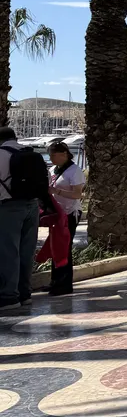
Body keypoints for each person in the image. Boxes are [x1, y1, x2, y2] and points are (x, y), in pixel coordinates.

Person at [0, 127, 48, 309]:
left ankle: (9, 296)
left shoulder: (1, 155)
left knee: (8, 251)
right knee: (27, 251)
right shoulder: (29, 152)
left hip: (9, 207)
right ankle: (25, 293)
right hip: (32, 206)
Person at [46, 141, 83, 296]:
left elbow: (77, 194)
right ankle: (55, 280)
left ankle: (65, 283)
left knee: (65, 247)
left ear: (64, 154)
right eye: (50, 155)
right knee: (55, 247)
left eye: (54, 155)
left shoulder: (74, 170)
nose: (52, 158)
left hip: (70, 213)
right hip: (56, 213)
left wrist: (57, 192)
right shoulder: (53, 169)